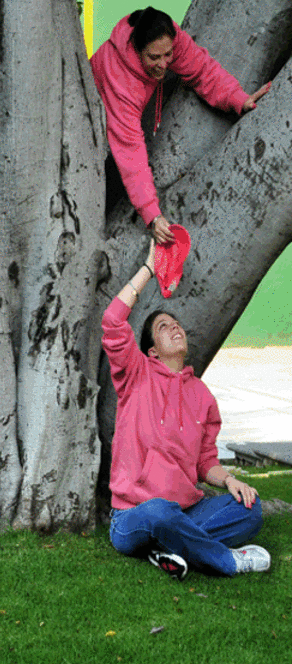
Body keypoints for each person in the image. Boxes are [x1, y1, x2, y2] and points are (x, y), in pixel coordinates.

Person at [104, 243, 269, 579]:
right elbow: (111, 320)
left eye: (176, 323)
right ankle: (226, 561)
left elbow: (204, 462)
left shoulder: (202, 395)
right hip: (135, 515)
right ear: (151, 349)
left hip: (188, 511)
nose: (174, 327)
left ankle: (170, 549)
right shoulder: (136, 374)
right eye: (163, 327)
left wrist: (230, 479)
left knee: (250, 510)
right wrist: (150, 268)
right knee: (160, 514)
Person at [90, 7, 269, 244]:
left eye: (168, 55)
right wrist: (152, 215)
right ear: (135, 47)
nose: (164, 64)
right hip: (91, 141)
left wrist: (238, 99)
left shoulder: (167, 37)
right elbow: (130, 152)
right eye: (154, 57)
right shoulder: (122, 81)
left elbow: (203, 70)